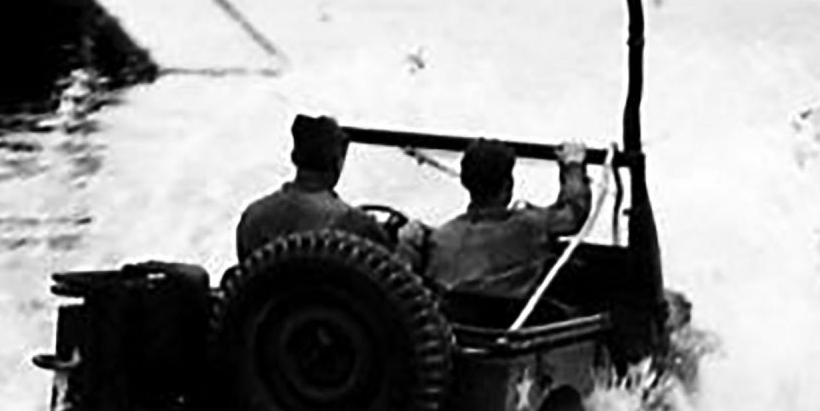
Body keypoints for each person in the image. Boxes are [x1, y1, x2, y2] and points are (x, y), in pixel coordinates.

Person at [423, 138, 591, 300]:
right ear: (508, 184)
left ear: (465, 182)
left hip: (459, 327)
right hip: (516, 324)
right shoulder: (529, 227)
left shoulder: (440, 240)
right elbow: (572, 214)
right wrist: (573, 166)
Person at [236, 114, 408, 262]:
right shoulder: (356, 225)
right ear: (337, 163)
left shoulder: (254, 216)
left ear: (295, 157)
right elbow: (392, 277)